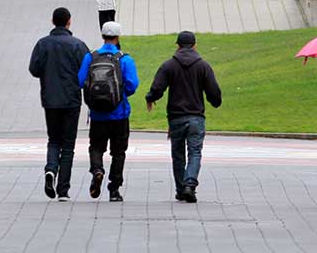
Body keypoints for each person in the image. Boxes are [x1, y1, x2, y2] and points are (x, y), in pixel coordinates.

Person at [145, 30, 222, 203]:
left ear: (177, 45)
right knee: (195, 152)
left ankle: (181, 188)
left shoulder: (169, 65)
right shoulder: (203, 66)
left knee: (178, 154)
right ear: (194, 45)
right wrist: (215, 101)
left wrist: (150, 98)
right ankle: (190, 184)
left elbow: (157, 88)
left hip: (176, 117)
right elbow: (213, 92)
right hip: (196, 116)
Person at [28, 7, 90, 202]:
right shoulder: (78, 45)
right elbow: (87, 71)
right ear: (69, 21)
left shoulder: (42, 44)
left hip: (50, 100)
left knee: (53, 139)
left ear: (52, 21)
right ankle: (63, 189)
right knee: (69, 144)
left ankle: (50, 170)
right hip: (71, 100)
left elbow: (34, 69)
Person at [79, 21, 139, 202]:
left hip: (97, 114)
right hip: (119, 114)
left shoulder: (90, 57)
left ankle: (97, 169)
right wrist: (119, 94)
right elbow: (132, 85)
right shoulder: (125, 59)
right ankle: (114, 189)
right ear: (118, 37)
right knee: (118, 152)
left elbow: (81, 80)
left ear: (103, 36)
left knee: (96, 147)